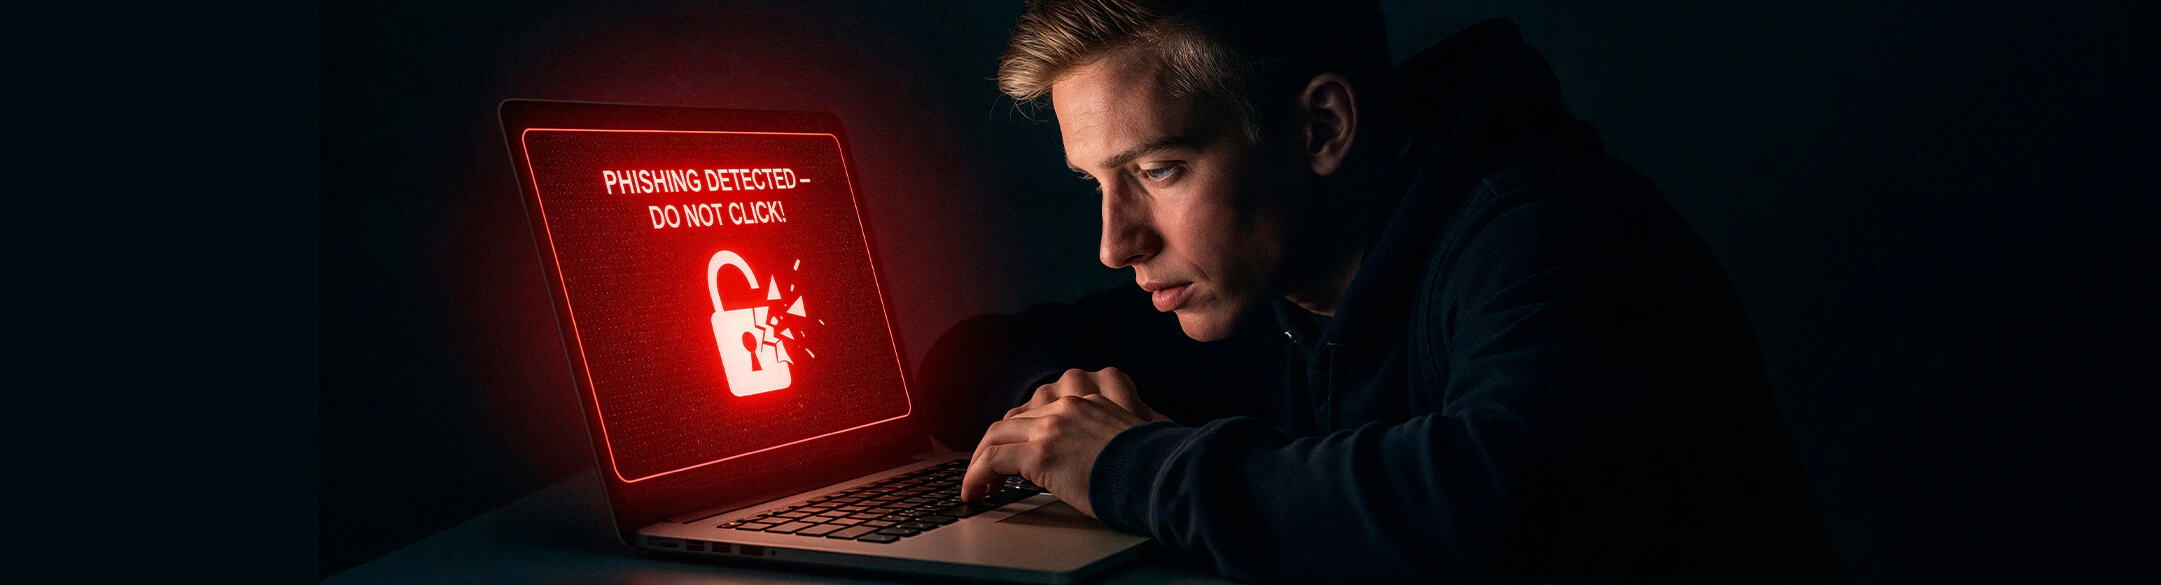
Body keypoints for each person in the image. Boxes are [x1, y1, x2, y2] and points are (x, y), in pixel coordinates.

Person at [917, 1, 1841, 582]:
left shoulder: (1555, 237)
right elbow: (968, 361)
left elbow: (1493, 506)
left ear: (1322, 128)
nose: (1117, 242)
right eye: (1096, 183)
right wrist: (1058, 422)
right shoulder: (1258, 287)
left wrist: (1128, 466)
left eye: (1159, 169)